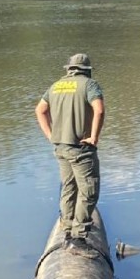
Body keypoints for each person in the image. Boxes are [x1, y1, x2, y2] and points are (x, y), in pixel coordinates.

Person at [35, 53, 105, 252]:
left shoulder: (56, 86)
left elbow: (40, 110)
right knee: (89, 191)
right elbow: (99, 110)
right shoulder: (89, 85)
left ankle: (66, 229)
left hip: (60, 146)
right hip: (81, 148)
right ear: (87, 70)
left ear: (69, 69)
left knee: (69, 187)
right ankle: (79, 238)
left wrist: (51, 135)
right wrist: (94, 137)